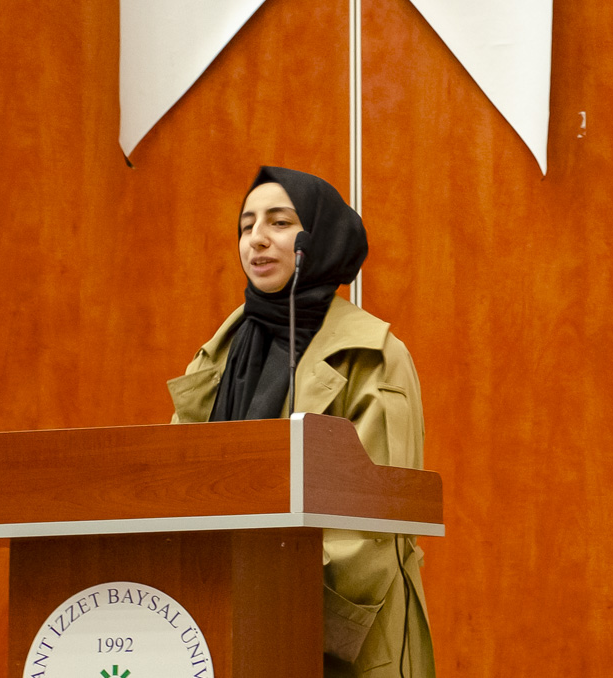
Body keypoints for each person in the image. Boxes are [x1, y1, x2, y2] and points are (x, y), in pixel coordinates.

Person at [167, 166, 435, 677]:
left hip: (337, 635)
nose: (257, 239)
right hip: (221, 624)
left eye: (280, 222)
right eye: (246, 226)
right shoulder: (218, 355)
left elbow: (373, 525)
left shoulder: (372, 355)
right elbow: (177, 488)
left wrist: (269, 605)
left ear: (320, 237)